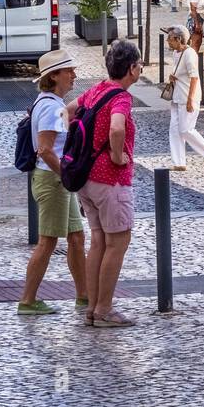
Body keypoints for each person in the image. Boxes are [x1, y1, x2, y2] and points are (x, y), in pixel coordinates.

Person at [78, 39, 143, 328]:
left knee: (99, 241)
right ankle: (104, 309)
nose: (140, 68)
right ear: (131, 68)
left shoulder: (96, 90)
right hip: (110, 180)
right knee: (118, 241)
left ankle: (93, 307)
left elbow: (67, 113)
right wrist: (118, 156)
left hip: (87, 178)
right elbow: (117, 127)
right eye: (139, 64)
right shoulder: (121, 97)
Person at [17, 51, 88, 315]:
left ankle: (84, 295)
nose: (74, 75)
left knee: (77, 237)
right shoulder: (51, 107)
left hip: (56, 179)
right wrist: (67, 176)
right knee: (47, 242)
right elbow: (45, 150)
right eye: (68, 70)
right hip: (53, 179)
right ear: (54, 76)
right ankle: (27, 300)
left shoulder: (48, 102)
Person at [166, 26, 204, 172]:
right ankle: (179, 162)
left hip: (188, 97)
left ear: (178, 39)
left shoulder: (190, 54)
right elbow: (181, 73)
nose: (168, 41)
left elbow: (194, 77)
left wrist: (190, 100)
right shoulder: (177, 53)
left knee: (186, 129)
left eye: (170, 38)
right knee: (175, 130)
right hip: (177, 96)